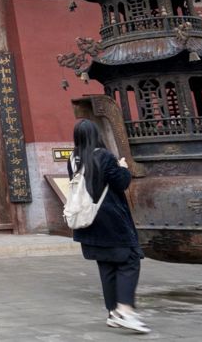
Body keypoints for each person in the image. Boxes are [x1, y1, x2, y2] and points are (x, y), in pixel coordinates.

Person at [68, 119, 149, 334]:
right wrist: (123, 168)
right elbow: (121, 183)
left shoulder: (74, 160)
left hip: (89, 222)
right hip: (112, 221)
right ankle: (125, 310)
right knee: (129, 260)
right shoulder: (104, 156)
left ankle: (113, 312)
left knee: (106, 265)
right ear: (97, 135)